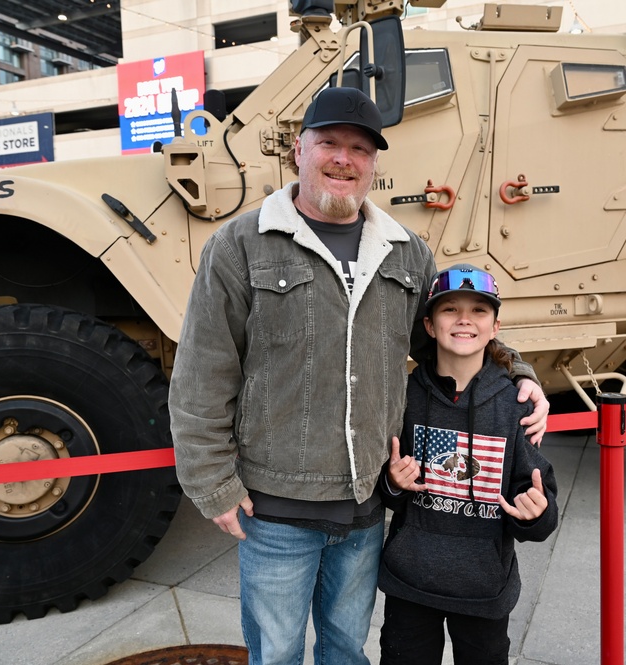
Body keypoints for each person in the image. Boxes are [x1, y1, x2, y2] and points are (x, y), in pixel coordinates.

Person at [168, 86, 549, 665]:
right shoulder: (241, 246)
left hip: (366, 507)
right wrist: (212, 484)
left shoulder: (405, 252)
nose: (343, 158)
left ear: (373, 165)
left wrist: (519, 371)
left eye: (360, 149)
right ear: (299, 150)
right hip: (275, 511)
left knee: (347, 649)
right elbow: (203, 372)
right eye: (329, 143)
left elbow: (449, 331)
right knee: (276, 653)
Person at [377, 264, 559, 665]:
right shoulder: (403, 396)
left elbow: (539, 505)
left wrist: (534, 515)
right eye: (449, 310)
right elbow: (383, 492)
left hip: (483, 590)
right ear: (428, 325)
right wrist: (392, 483)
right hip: (411, 583)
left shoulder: (517, 405)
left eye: (479, 310)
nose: (464, 319)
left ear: (496, 327)